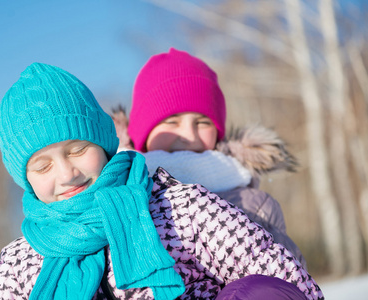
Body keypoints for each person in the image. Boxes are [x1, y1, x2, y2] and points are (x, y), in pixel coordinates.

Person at [0, 62, 323, 299]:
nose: (67, 173)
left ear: (104, 143)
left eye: (76, 150)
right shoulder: (20, 259)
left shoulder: (178, 207)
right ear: (23, 179)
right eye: (42, 167)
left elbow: (277, 271)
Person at [114, 47, 307, 268]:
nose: (189, 136)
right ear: (141, 135)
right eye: (171, 121)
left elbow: (285, 280)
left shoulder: (254, 206)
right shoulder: (115, 199)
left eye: (203, 122)